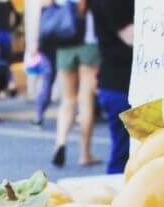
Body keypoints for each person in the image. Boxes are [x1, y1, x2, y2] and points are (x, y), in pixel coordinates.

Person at [50, 0, 100, 168]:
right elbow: (83, 5)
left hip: (64, 41)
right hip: (87, 42)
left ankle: (60, 142)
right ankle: (84, 153)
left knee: (68, 99)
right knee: (86, 100)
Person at [89, 0, 134, 174]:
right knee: (123, 155)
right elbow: (130, 36)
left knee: (127, 152)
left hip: (119, 83)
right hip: (120, 85)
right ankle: (119, 198)